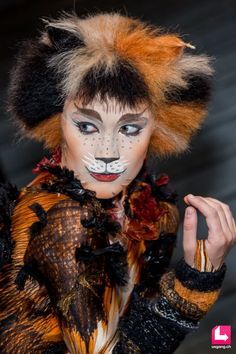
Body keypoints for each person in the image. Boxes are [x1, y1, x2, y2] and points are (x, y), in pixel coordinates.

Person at [0, 11, 235, 354]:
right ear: (57, 119)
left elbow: (139, 313)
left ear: (159, 127)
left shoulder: (152, 207)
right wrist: (196, 282)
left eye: (129, 128)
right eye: (86, 126)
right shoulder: (64, 224)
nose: (108, 152)